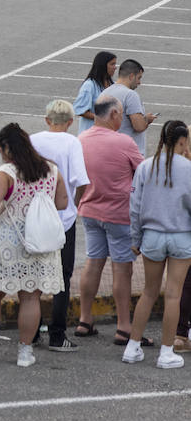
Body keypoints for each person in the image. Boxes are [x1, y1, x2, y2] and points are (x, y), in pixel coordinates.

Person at [0, 124, 67, 368]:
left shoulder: (7, 172)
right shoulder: (51, 169)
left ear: (7, 148)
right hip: (40, 240)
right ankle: (25, 352)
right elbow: (62, 202)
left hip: (10, 238)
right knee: (31, 297)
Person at [75, 95, 144, 341]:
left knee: (93, 263)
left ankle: (85, 319)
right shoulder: (123, 142)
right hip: (118, 214)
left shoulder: (80, 139)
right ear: (114, 114)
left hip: (90, 211)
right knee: (122, 269)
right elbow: (142, 171)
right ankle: (124, 326)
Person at [125, 121, 191, 369]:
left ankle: (132, 347)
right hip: (182, 236)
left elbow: (135, 207)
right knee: (173, 295)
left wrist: (135, 238)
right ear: (182, 141)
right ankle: (166, 352)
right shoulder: (188, 168)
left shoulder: (145, 167)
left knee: (149, 293)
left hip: (152, 235)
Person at [29, 99, 90, 352]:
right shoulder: (71, 142)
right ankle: (57, 334)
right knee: (62, 278)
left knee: (32, 277)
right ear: (70, 122)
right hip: (62, 218)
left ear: (47, 120)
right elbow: (82, 180)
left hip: (34, 217)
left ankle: (31, 330)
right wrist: (73, 205)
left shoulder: (33, 140)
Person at [103, 58, 157, 156]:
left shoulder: (104, 93)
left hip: (108, 150)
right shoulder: (130, 95)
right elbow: (139, 126)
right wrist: (147, 119)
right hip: (129, 154)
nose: (139, 82)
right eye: (139, 78)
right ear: (131, 76)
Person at [73, 51, 117, 133]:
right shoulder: (89, 86)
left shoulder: (113, 85)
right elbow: (79, 109)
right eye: (112, 64)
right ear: (103, 66)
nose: (115, 67)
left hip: (108, 133)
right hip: (90, 134)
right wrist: (101, 119)